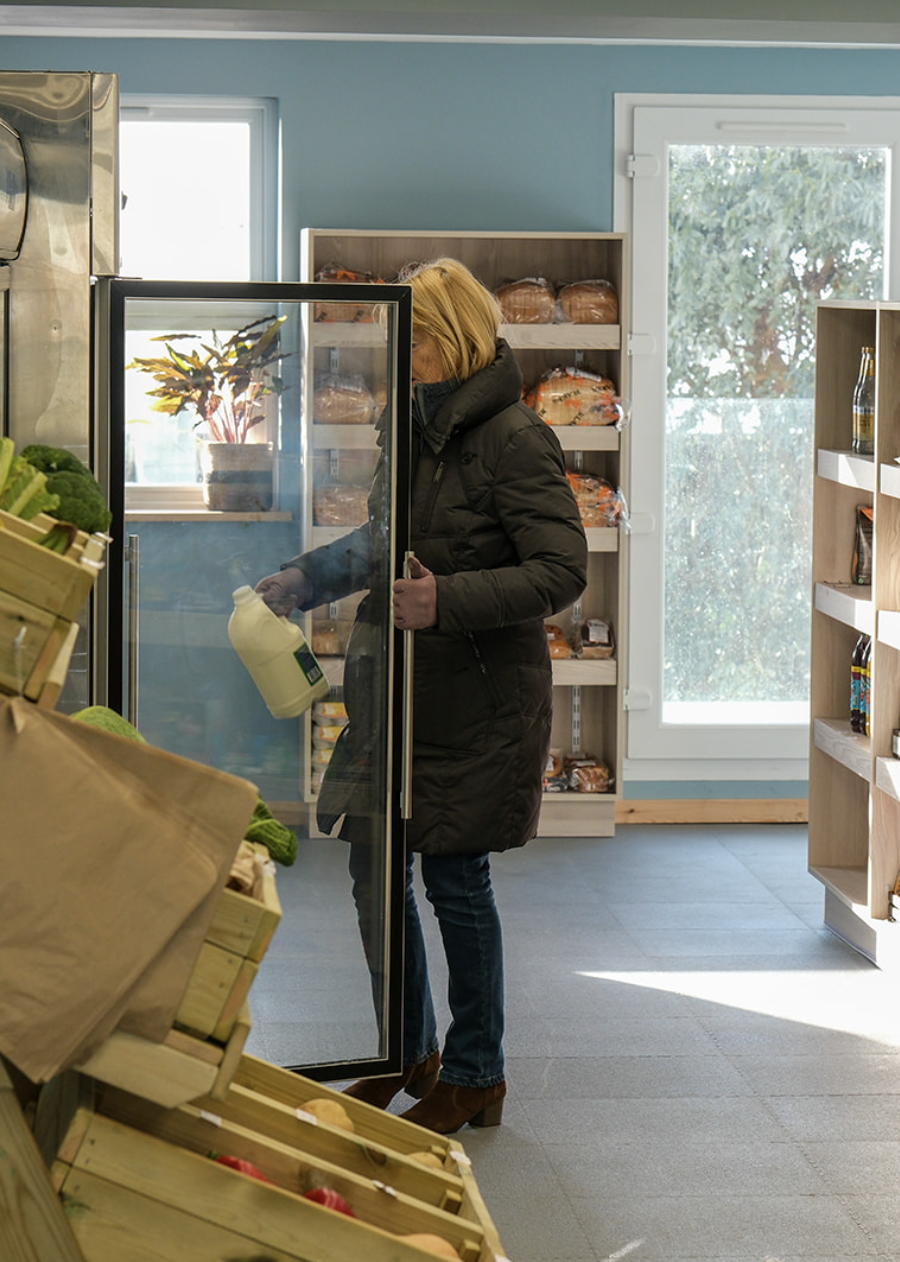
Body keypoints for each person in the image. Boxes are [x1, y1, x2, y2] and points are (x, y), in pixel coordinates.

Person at [254, 258, 587, 1133]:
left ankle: (478, 1072)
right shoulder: (410, 426)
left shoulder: (516, 437)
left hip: (474, 701)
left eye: (420, 341)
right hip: (396, 698)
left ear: (458, 338)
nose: (405, 359)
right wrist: (304, 577)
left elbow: (561, 572)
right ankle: (411, 1053)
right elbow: (382, 539)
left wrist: (445, 602)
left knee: (454, 877)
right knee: (372, 870)